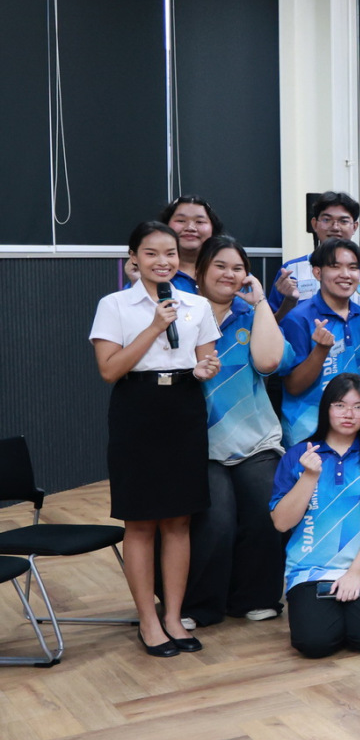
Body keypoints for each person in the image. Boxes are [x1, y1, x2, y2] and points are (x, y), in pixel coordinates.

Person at [90, 221, 221, 655]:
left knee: (179, 520)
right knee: (141, 521)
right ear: (134, 258)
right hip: (137, 409)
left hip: (184, 407)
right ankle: (148, 620)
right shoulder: (114, 305)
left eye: (170, 253)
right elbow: (109, 369)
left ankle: (173, 617)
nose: (162, 262)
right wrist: (153, 325)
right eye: (151, 253)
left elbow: (207, 360)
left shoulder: (196, 304)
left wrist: (205, 368)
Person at [189, 234, 289, 627]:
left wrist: (261, 302)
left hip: (255, 440)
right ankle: (200, 604)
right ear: (200, 271)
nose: (229, 274)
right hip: (199, 444)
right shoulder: (183, 316)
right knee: (216, 521)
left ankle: (255, 597)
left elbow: (269, 362)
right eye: (220, 266)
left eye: (237, 268)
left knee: (266, 512)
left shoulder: (252, 316)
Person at [269, 373, 360, 658]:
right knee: (314, 644)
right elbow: (281, 523)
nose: (349, 414)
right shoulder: (298, 455)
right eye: (340, 405)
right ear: (326, 408)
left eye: (358, 407)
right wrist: (309, 477)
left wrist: (355, 573)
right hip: (311, 569)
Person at [278, 239, 360, 446]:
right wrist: (321, 351)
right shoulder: (298, 318)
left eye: (353, 268)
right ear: (317, 272)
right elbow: (293, 386)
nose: (346, 274)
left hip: (355, 433)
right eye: (335, 266)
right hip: (308, 434)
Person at [272, 192, 360, 319]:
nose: (335, 227)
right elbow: (271, 323)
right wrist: (289, 301)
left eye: (343, 221)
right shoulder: (291, 270)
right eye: (327, 220)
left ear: (355, 227)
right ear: (314, 224)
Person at [157, 195, 222, 294]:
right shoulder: (151, 270)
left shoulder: (229, 271)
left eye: (200, 222)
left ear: (213, 227)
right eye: (181, 221)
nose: (190, 228)